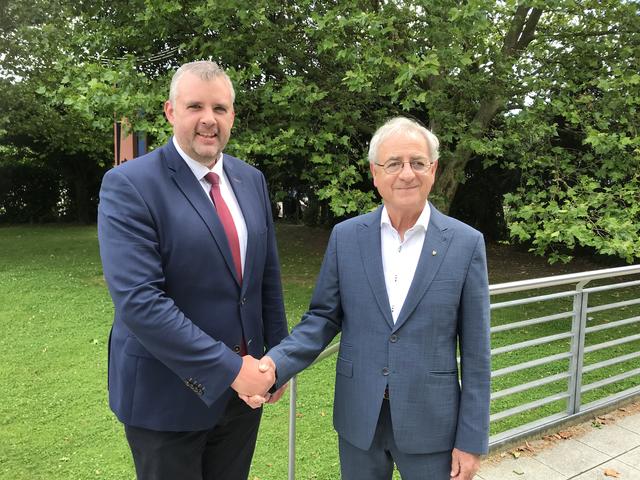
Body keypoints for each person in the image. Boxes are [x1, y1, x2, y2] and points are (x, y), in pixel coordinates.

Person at [243, 117, 491, 479]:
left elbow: (477, 353)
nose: (407, 174)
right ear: (375, 173)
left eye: (417, 163)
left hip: (432, 424)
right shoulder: (347, 238)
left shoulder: (466, 243)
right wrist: (276, 366)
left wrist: (471, 441)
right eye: (394, 164)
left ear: (433, 170)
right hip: (360, 419)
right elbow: (322, 319)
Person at [97, 60, 288, 480]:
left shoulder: (250, 179)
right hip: (165, 398)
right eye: (195, 107)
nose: (209, 120)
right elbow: (140, 302)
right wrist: (231, 371)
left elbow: (265, 278)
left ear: (232, 115)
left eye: (220, 109)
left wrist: (278, 358)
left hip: (242, 402)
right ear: (170, 111)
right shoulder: (130, 184)